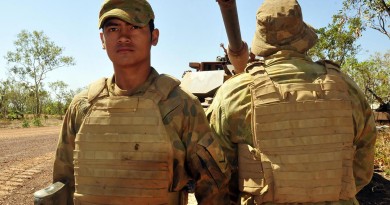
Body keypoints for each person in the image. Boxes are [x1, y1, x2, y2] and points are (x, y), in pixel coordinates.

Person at [52, 0, 230, 204]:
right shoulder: (82, 107)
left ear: (154, 37)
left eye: (135, 26)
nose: (124, 36)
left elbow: (214, 187)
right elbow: (63, 183)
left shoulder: (180, 106)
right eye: (113, 28)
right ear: (103, 39)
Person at [206, 0, 377, 204]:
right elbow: (363, 167)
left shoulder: (234, 93)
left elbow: (217, 174)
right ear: (302, 36)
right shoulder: (346, 88)